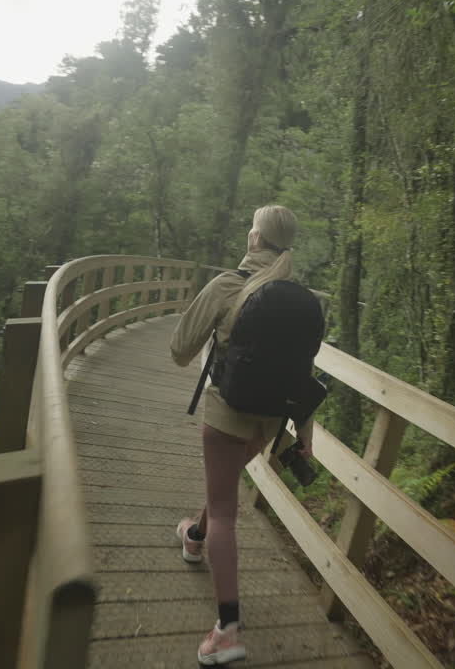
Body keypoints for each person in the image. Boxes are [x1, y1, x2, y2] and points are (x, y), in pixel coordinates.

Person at [169, 204, 313, 666]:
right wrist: (303, 433)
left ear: (255, 239)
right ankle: (194, 534)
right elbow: (303, 373)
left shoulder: (228, 285)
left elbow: (179, 351)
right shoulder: (301, 297)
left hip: (229, 412)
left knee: (226, 511)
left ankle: (227, 631)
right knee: (224, 488)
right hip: (271, 421)